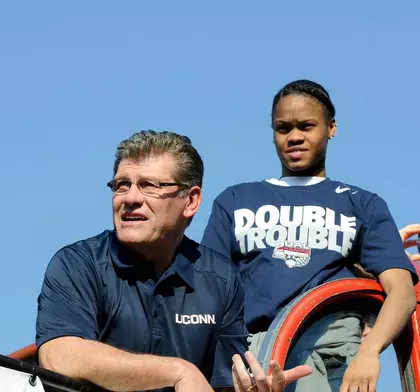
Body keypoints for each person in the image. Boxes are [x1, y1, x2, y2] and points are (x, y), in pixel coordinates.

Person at [35, 130, 310, 392]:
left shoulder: (221, 278)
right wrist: (178, 371)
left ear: (190, 201)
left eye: (149, 186)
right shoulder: (77, 265)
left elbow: (223, 384)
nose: (130, 198)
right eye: (122, 185)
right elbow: (60, 356)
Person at [201, 79, 419, 392]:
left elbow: (402, 293)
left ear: (331, 128)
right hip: (254, 360)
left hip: (328, 355)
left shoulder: (361, 203)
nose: (294, 137)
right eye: (283, 128)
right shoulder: (235, 200)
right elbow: (209, 295)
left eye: (306, 126)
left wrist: (369, 353)